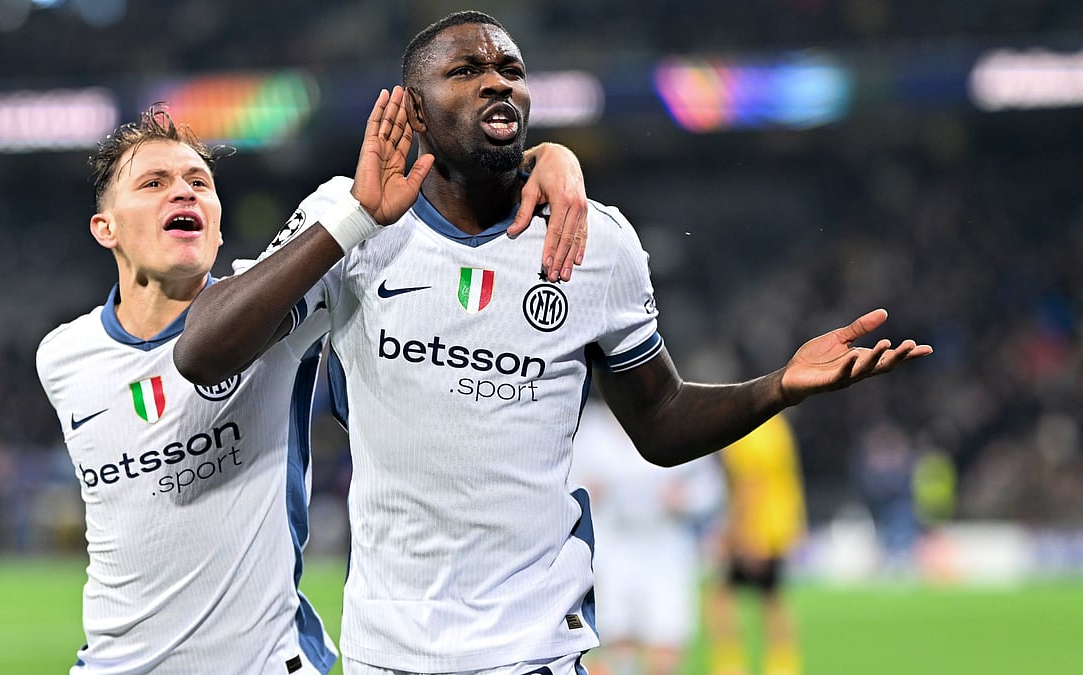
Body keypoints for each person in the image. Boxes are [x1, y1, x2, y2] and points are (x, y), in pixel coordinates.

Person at [174, 10, 933, 674]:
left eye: (511, 69)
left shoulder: (595, 242)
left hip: (535, 647)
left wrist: (779, 386)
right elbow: (202, 349)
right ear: (412, 108)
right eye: (466, 70)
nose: (497, 82)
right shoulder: (353, 221)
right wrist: (353, 221)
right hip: (387, 647)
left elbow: (661, 422)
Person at [36, 93, 590, 674]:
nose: (183, 191)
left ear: (219, 226)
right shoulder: (63, 358)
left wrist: (544, 156)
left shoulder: (277, 306)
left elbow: (436, 199)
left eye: (199, 182)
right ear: (106, 228)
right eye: (153, 183)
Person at [570, 392, 724, 675]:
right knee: (617, 637)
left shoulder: (677, 422)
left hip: (666, 547)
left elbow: (710, 488)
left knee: (667, 638)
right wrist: (588, 492)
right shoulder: (591, 429)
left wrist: (684, 497)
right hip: (613, 545)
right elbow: (568, 484)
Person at [707, 413, 807, 675]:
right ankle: (783, 666)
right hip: (779, 526)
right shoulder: (777, 427)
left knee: (720, 600)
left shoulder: (746, 434)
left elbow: (750, 486)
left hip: (757, 532)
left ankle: (731, 666)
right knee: (771, 598)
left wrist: (741, 535)